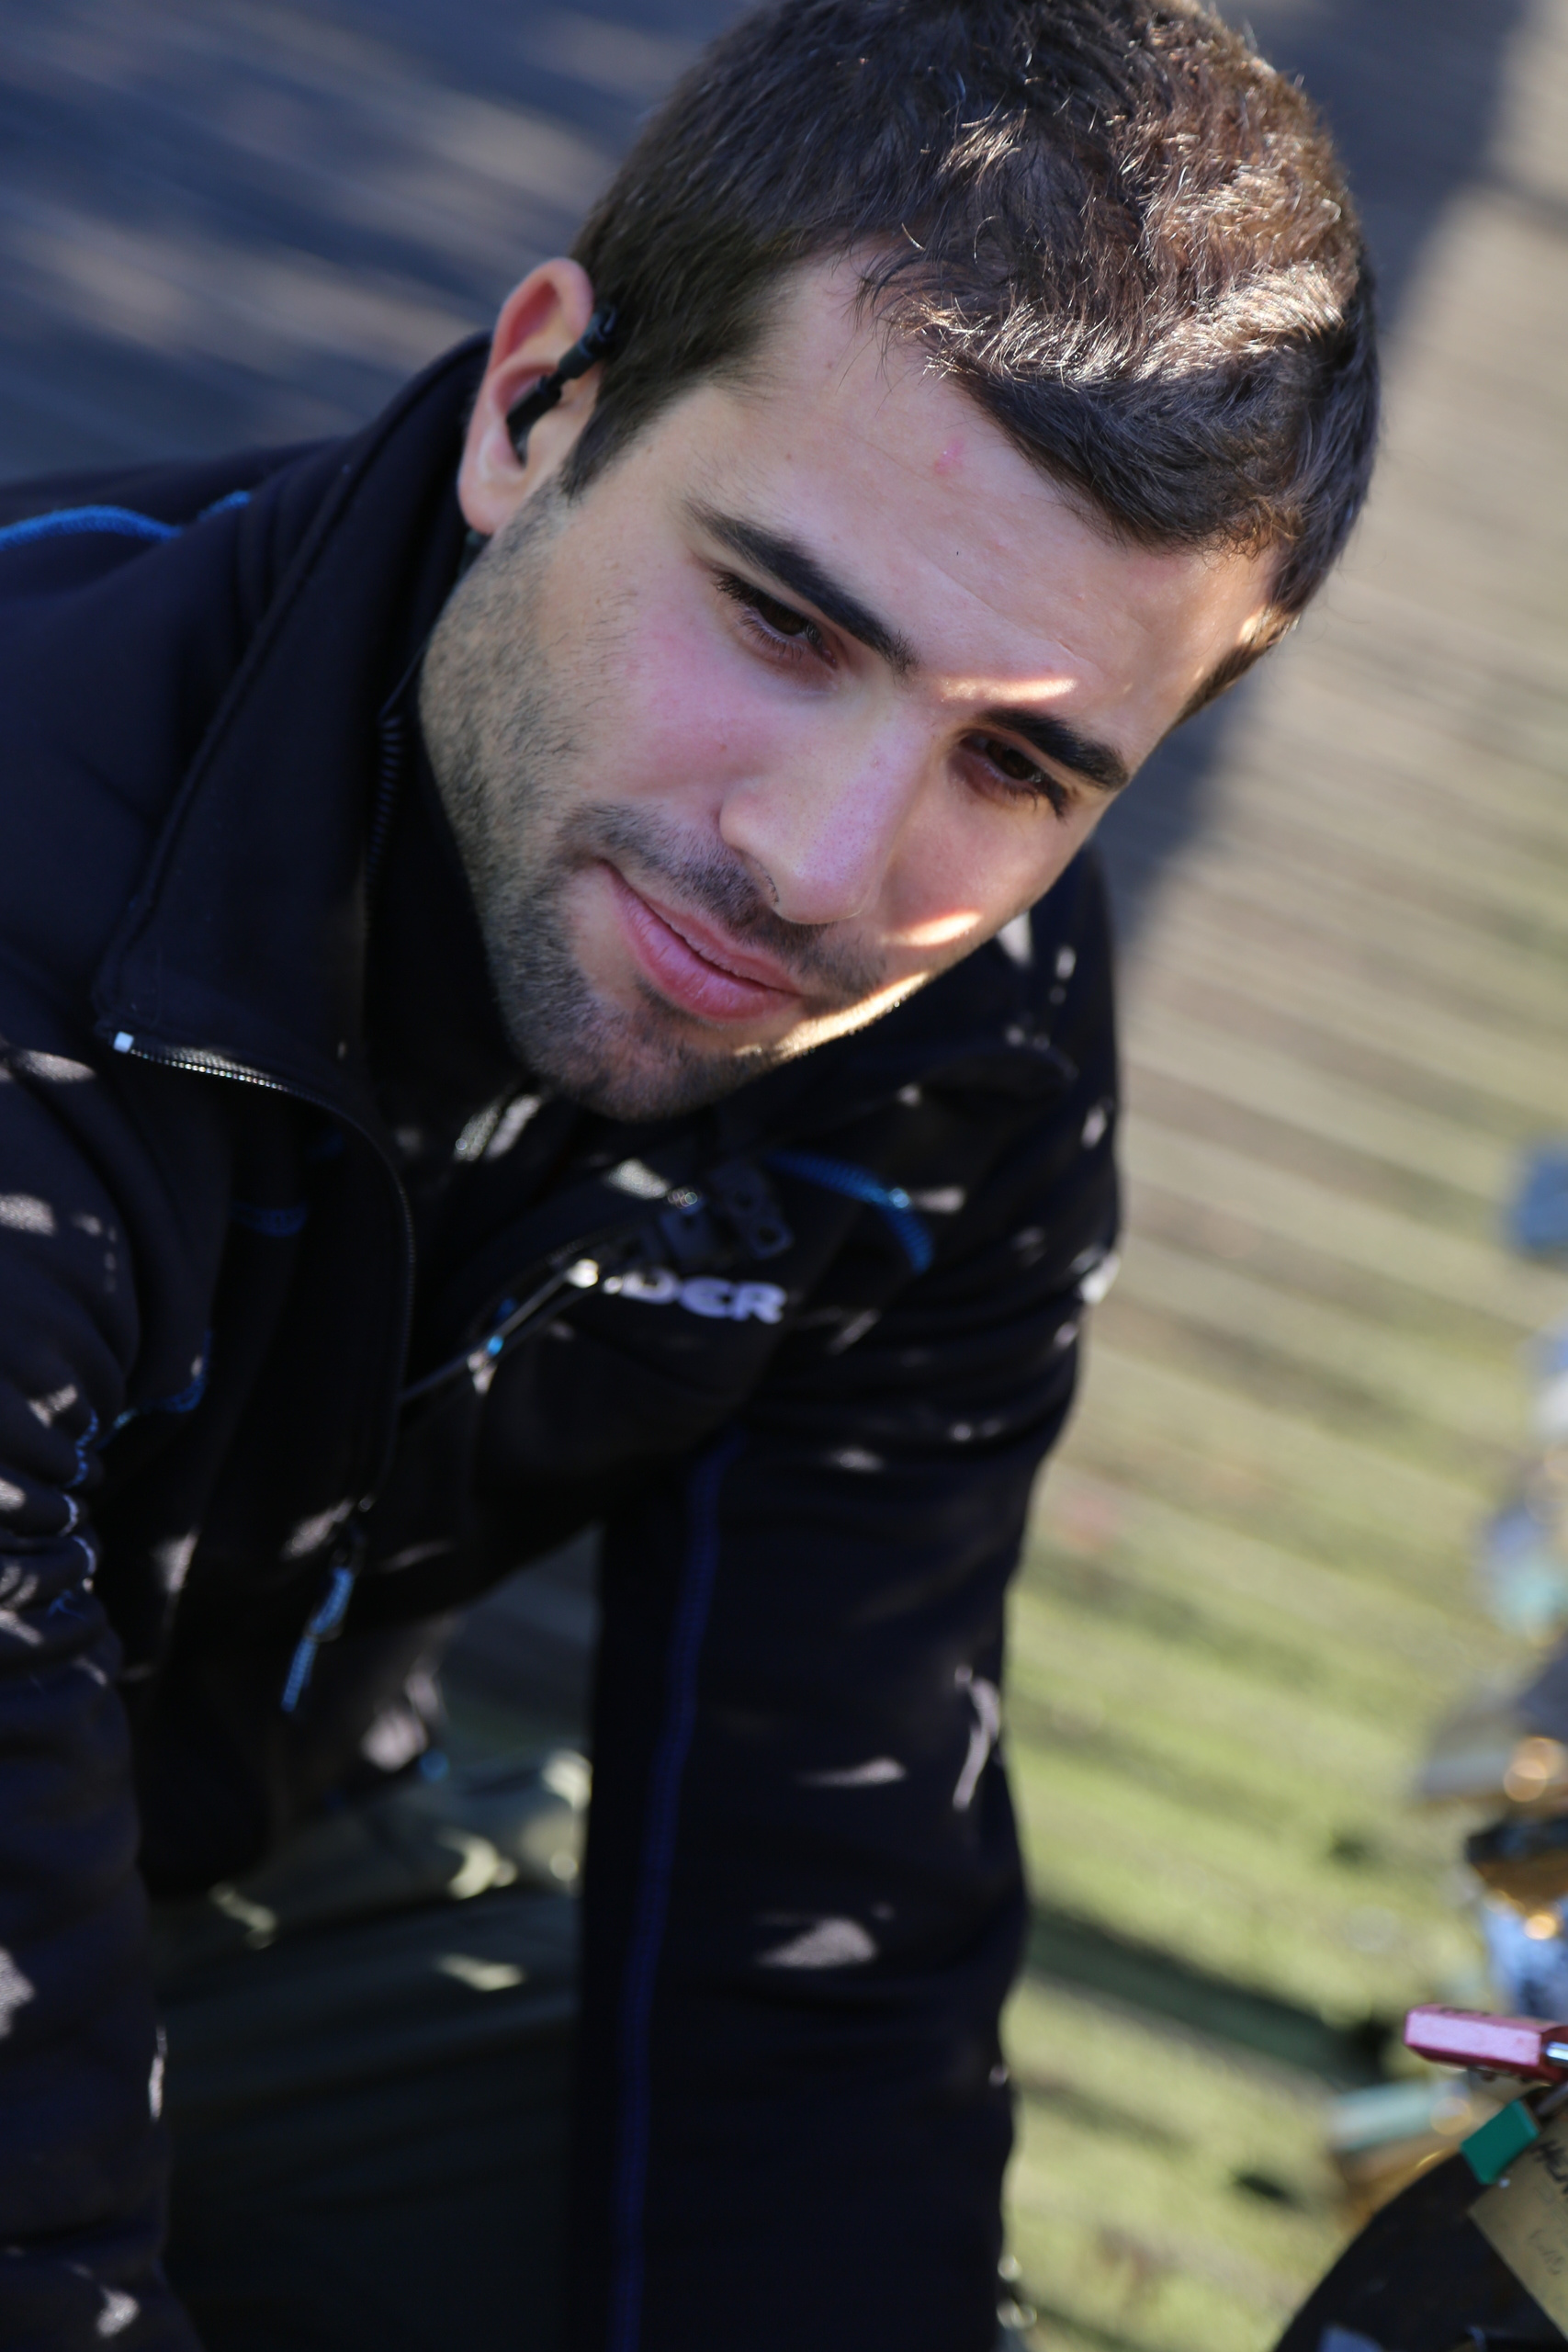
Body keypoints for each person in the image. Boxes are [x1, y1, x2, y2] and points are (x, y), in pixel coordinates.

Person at [0, 1, 1376, 2346]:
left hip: (220, 1854)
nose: (819, 866)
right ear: (538, 402)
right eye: (780, 618)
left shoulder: (950, 1002)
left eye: (1023, 766)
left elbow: (810, 1903)